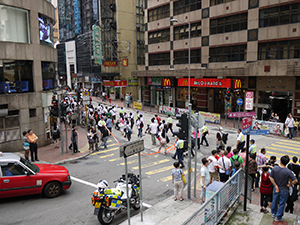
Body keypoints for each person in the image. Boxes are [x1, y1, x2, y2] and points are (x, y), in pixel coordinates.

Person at [269, 156, 298, 222]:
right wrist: (290, 184)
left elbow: (270, 177)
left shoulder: (275, 168)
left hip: (276, 188)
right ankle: (278, 216)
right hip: (284, 189)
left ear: (280, 161)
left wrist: (275, 185)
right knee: (282, 203)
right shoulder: (288, 172)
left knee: (275, 200)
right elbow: (295, 180)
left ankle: (273, 213)